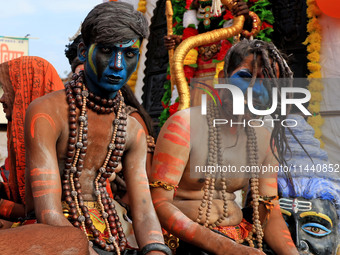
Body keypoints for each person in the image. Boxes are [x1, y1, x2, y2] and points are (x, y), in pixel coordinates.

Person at [24, 2, 170, 255]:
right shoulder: (46, 114)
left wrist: (155, 250)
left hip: (113, 233)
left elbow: (144, 209)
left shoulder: (131, 128)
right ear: (83, 50)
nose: (117, 64)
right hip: (58, 237)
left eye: (129, 54)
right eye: (106, 50)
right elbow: (49, 214)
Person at [150, 39, 299, 254]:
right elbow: (158, 205)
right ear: (223, 79)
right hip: (182, 243)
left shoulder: (265, 138)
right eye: (246, 76)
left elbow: (268, 209)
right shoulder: (185, 125)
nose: (255, 89)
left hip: (239, 239)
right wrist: (224, 247)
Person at [0, 56, 65, 222]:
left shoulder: (55, 143)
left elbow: (37, 214)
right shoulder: (21, 138)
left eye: (8, 89)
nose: (1, 98)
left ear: (26, 91)